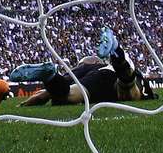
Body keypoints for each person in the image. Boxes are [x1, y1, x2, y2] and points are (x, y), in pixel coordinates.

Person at [10, 27, 155, 106]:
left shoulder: (84, 69)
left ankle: (51, 76)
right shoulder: (97, 65)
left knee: (65, 96)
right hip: (115, 74)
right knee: (129, 92)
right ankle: (116, 50)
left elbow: (44, 94)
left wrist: (29, 101)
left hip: (97, 82)